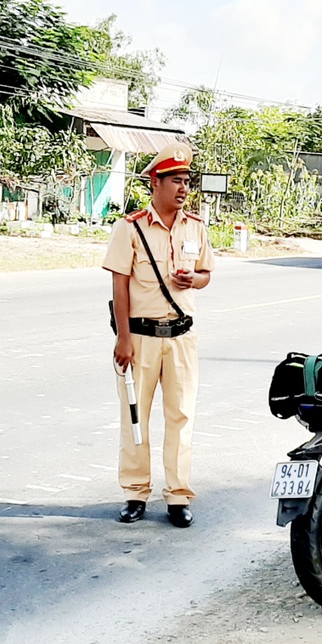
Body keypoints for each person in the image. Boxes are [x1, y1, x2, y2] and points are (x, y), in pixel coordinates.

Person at [103, 142, 214, 528]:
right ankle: (135, 493)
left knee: (181, 416)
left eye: (187, 182)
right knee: (135, 415)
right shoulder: (130, 228)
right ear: (156, 182)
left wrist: (193, 279)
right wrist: (122, 338)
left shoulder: (196, 227)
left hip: (182, 338)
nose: (184, 189)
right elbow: (120, 287)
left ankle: (178, 495)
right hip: (141, 337)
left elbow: (205, 275)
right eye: (176, 181)